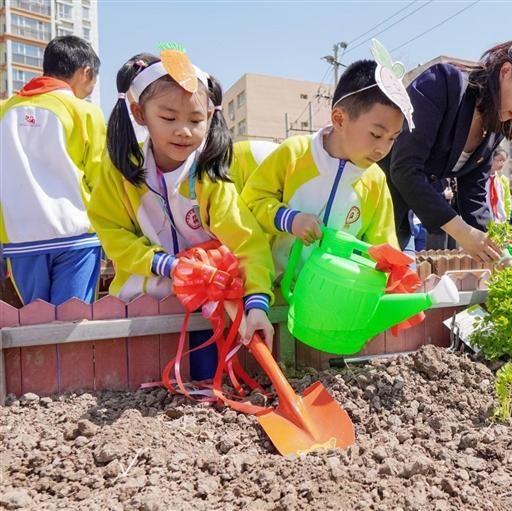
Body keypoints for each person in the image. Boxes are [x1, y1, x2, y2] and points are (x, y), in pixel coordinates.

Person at [87, 50, 275, 380]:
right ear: (139, 113)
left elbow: (248, 243)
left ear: (210, 117)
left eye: (195, 120)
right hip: (142, 300)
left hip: (208, 304)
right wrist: (165, 264)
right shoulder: (120, 171)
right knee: (140, 382)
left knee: (206, 383)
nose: (184, 131)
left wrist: (257, 303)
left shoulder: (209, 175)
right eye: (169, 118)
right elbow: (111, 230)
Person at [379, 34, 512, 263]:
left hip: (397, 222)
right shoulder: (444, 83)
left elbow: (474, 195)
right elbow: (405, 168)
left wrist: (497, 248)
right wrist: (463, 233)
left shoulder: (496, 126)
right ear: (506, 71)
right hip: (367, 203)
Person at [241, 51, 412, 278]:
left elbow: (384, 245)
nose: (383, 148)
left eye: (392, 138)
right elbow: (250, 203)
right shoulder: (294, 153)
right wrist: (289, 220)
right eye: (376, 134)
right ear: (339, 119)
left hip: (331, 298)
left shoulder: (375, 181)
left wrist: (399, 277)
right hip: (275, 293)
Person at [0, 35, 105, 305]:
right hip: (77, 236)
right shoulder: (85, 112)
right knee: (73, 325)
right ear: (86, 72)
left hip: (18, 239)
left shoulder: (3, 112)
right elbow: (101, 179)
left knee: (34, 325)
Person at [486, 148, 512, 224]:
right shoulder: (481, 179)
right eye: (500, 160)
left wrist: (507, 218)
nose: (502, 164)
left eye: (504, 161)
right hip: (486, 221)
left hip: (501, 222)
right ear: (491, 158)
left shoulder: (503, 180)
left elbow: (507, 200)